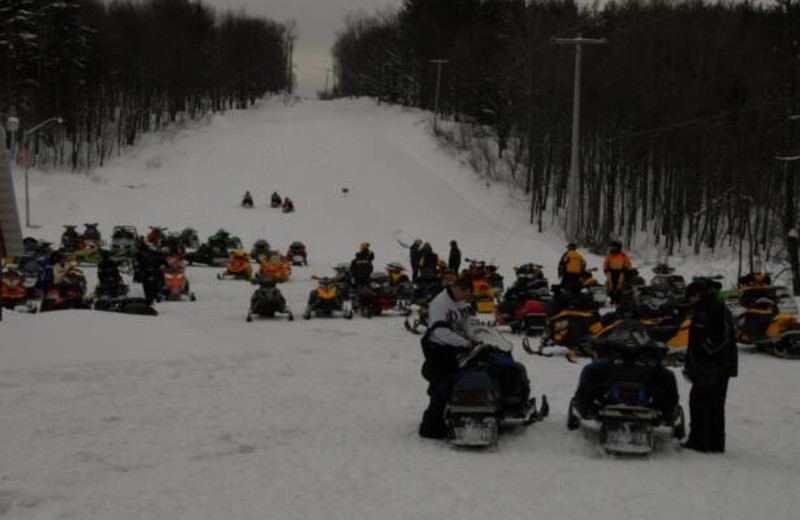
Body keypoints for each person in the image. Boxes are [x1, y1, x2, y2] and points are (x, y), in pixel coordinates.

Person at [682, 279, 738, 453]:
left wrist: (702, 354)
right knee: (701, 402)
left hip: (715, 367)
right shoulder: (702, 308)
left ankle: (706, 443)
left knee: (707, 403)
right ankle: (704, 442)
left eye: (691, 297)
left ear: (698, 294)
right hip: (706, 366)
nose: (690, 301)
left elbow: (721, 338)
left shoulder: (715, 308)